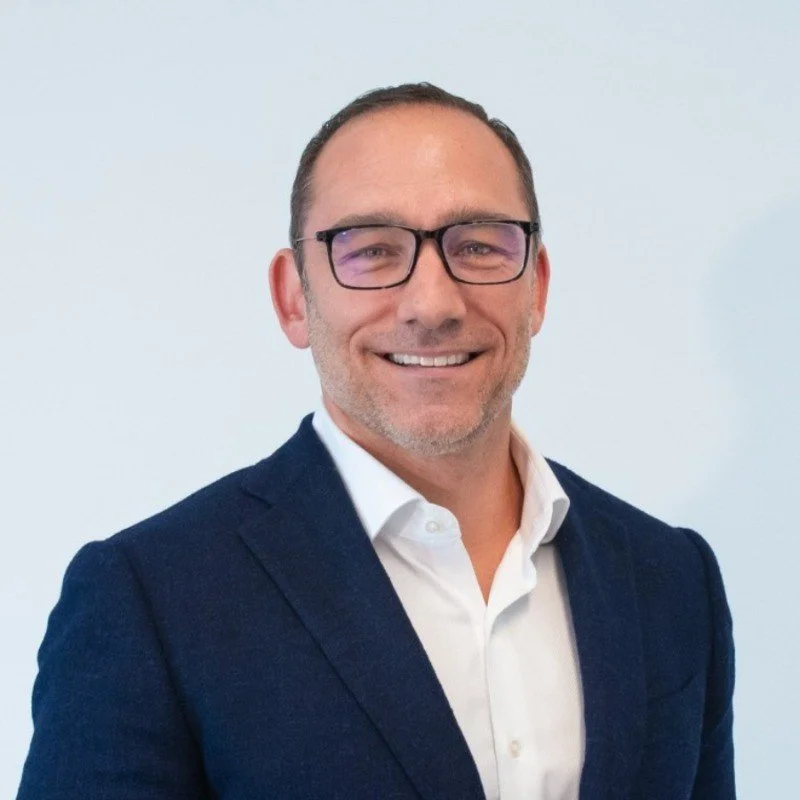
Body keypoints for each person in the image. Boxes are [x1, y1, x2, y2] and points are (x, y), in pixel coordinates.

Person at [16, 83, 735, 800]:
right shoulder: (148, 599)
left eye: (479, 245)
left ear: (537, 286)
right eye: (372, 251)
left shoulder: (671, 580)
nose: (432, 304)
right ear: (294, 298)